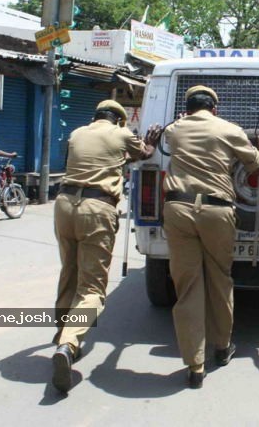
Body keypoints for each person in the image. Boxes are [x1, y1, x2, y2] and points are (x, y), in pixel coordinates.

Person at [162, 85, 259, 389]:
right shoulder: (229, 129)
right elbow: (258, 168)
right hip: (216, 210)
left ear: (188, 108)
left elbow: (168, 137)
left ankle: (195, 365)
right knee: (220, 279)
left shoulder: (176, 128)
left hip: (178, 207)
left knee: (187, 286)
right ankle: (222, 348)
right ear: (215, 108)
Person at [51, 100, 160, 393]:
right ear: (120, 121)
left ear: (95, 116)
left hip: (64, 205)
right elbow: (145, 154)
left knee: (69, 270)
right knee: (92, 288)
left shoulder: (77, 133)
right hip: (96, 208)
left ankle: (62, 329)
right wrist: (149, 141)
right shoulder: (123, 135)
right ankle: (69, 344)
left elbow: (105, 160)